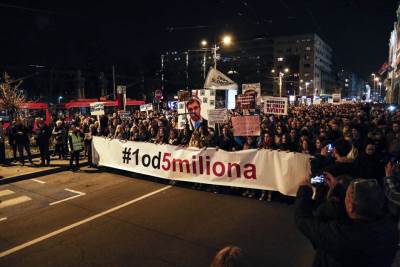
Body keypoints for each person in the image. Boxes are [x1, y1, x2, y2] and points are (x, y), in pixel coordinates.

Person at [295, 177, 398, 267]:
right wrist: (338, 188)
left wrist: (304, 191)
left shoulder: (340, 236)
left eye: (346, 197)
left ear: (351, 207)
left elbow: (302, 220)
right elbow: (363, 201)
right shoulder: (391, 227)